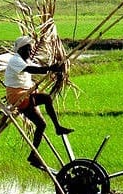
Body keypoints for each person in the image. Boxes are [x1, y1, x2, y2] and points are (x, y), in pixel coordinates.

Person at [5, 36, 73, 169]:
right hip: (17, 96)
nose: (30, 52)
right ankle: (57, 128)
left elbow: (38, 68)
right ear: (21, 49)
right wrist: (50, 68)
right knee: (46, 99)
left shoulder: (25, 60)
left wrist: (54, 69)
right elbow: (31, 70)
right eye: (28, 50)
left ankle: (34, 154)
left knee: (41, 124)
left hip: (26, 94)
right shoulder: (15, 60)